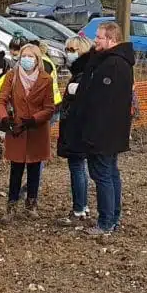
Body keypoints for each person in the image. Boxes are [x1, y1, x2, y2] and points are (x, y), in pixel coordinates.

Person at [73, 21, 135, 235]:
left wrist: (91, 132)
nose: (95, 41)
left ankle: (106, 222)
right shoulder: (111, 61)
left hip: (102, 133)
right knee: (110, 174)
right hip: (110, 132)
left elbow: (102, 103)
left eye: (99, 38)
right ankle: (113, 217)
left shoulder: (113, 66)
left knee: (103, 176)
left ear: (112, 39)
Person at [0, 43, 55, 224]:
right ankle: (11, 205)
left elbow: (49, 108)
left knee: (35, 169)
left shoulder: (46, 79)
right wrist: (5, 119)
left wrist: (35, 119)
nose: (26, 59)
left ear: (37, 60)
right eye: (24, 56)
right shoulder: (12, 76)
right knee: (16, 169)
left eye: (31, 56)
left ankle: (31, 204)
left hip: (36, 129)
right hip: (17, 129)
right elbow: (0, 100)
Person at [56, 35, 94, 227]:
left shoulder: (83, 74)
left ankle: (79, 208)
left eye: (72, 50)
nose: (68, 53)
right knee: (80, 169)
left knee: (77, 168)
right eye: (67, 49)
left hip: (76, 130)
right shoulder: (83, 71)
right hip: (77, 129)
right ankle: (82, 206)